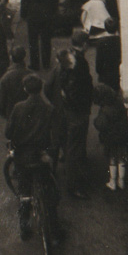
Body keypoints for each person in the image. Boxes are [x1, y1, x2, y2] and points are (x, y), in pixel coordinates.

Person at [5, 73, 64, 242]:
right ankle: (56, 231)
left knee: (24, 193)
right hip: (41, 157)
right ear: (40, 89)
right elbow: (56, 136)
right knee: (49, 193)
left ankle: (24, 229)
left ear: (25, 89)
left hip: (23, 157)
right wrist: (50, 154)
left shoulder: (18, 108)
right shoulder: (49, 109)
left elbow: (8, 132)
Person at [44, 33, 93, 198]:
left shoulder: (63, 61)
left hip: (63, 112)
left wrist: (58, 105)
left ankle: (55, 175)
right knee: (75, 150)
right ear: (84, 45)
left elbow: (49, 86)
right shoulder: (80, 65)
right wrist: (79, 108)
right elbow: (78, 92)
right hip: (76, 114)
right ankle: (74, 187)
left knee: (64, 144)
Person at [93, 83, 128, 190]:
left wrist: (95, 121)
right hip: (122, 137)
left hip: (111, 139)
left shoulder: (105, 110)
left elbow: (100, 124)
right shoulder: (118, 103)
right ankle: (121, 181)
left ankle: (113, 181)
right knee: (122, 159)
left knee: (112, 159)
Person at [0, 46, 29, 119]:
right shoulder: (30, 74)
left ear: (11, 58)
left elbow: (2, 99)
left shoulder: (6, 77)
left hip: (11, 112)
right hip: (27, 112)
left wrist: (2, 112)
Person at [95, 18, 122, 92]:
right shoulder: (120, 41)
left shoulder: (101, 42)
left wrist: (99, 71)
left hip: (105, 75)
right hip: (117, 74)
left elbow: (99, 62)